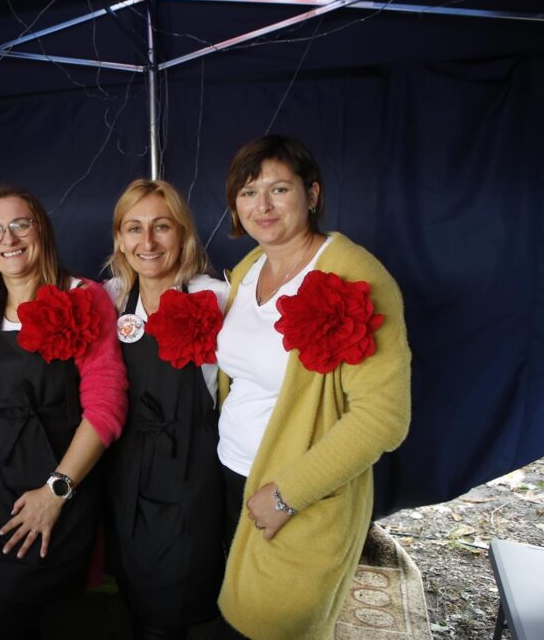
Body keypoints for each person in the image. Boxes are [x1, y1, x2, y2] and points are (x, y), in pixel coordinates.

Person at [214, 135, 411, 639]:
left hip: (297, 492)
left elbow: (383, 418)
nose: (262, 205)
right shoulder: (248, 269)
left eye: (279, 189)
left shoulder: (354, 276)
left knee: (277, 624)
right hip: (231, 474)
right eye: (248, 192)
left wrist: (287, 495)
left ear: (313, 194)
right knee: (234, 618)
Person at [0, 186, 127, 640]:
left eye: (20, 224)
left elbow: (106, 407)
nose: (8, 239)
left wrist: (55, 492)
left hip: (47, 499)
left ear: (42, 229)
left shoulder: (84, 297)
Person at [103, 178, 227, 639]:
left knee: (171, 600)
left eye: (162, 226)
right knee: (134, 587)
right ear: (120, 239)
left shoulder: (217, 297)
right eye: (134, 228)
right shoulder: (111, 298)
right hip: (125, 469)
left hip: (187, 468)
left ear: (183, 233)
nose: (148, 242)